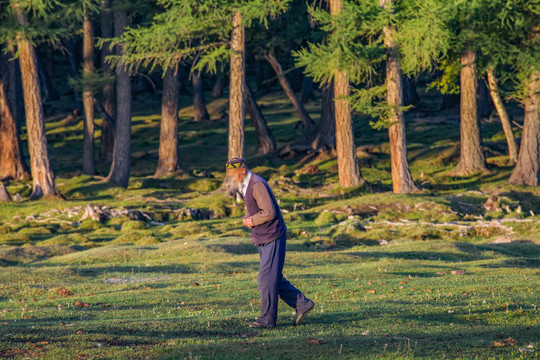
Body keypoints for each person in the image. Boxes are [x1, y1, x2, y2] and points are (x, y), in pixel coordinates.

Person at [225, 157, 314, 328]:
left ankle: (267, 320)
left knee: (265, 279)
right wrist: (247, 217)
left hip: (273, 236)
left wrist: (252, 220)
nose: (231, 178)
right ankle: (303, 304)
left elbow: (269, 212)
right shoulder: (245, 185)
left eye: (233, 174)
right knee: (272, 278)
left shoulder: (256, 184)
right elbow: (253, 207)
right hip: (264, 237)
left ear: (242, 171)